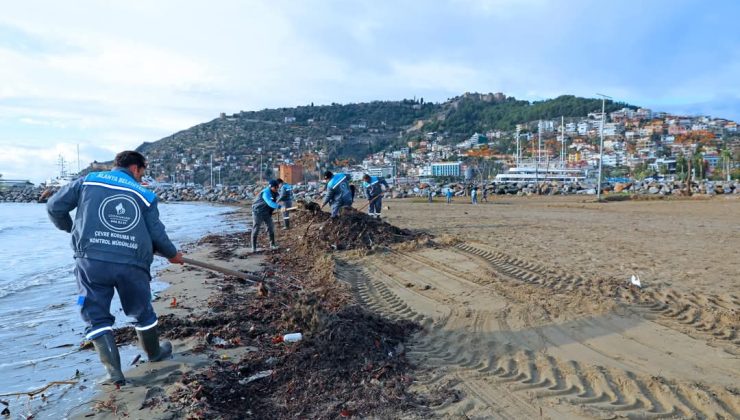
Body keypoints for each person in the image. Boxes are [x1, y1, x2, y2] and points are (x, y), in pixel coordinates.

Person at [47, 150, 183, 386]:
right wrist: (173, 255)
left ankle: (114, 375)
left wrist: (71, 228)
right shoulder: (145, 195)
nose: (142, 178)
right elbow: (156, 233)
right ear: (135, 169)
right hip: (132, 264)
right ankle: (154, 354)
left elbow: (54, 207)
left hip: (91, 261)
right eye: (143, 172)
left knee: (95, 315)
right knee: (142, 310)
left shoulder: (87, 181)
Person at [252, 180, 282, 251]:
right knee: (256, 228)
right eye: (276, 188)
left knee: (270, 227)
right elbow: (269, 202)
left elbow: (277, 201)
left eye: (277, 188)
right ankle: (254, 247)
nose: (277, 189)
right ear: (271, 187)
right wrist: (280, 207)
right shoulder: (266, 192)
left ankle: (272, 245)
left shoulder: (275, 193)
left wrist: (282, 206)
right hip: (257, 212)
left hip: (267, 213)